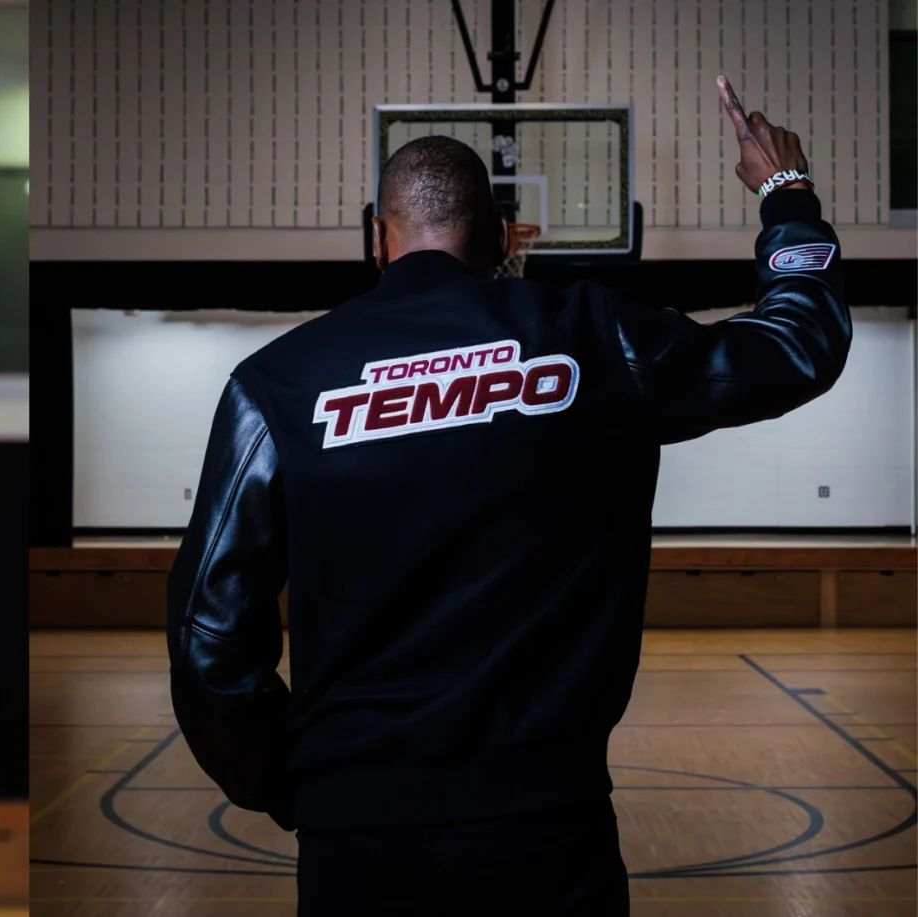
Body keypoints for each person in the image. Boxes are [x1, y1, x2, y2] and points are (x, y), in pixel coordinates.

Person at [167, 76, 847, 915]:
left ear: (377, 238)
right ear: (502, 235)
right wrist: (788, 194)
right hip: (547, 827)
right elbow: (797, 346)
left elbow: (208, 634)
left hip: (356, 834)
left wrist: (295, 783)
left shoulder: (274, 385)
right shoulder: (598, 339)